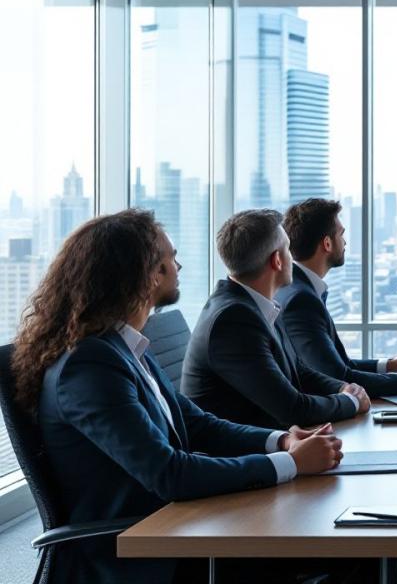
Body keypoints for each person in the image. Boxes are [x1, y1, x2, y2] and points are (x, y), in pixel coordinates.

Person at [11, 210, 344, 584]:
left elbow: (196, 422)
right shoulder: (88, 365)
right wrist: (291, 464)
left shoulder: (125, 348)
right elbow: (169, 473)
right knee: (347, 553)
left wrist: (281, 440)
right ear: (147, 273)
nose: (179, 265)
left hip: (177, 525)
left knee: (347, 545)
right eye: (171, 257)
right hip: (142, 551)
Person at [182, 209, 371, 429]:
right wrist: (351, 402)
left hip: (271, 442)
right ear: (277, 260)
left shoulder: (257, 304)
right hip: (241, 454)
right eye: (289, 249)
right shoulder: (233, 320)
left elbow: (300, 372)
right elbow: (292, 409)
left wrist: (343, 389)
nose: (294, 257)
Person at [278, 198, 397, 397]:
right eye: (341, 234)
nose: (345, 242)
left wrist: (392, 365)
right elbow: (339, 377)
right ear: (327, 243)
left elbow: (339, 365)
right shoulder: (301, 300)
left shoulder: (298, 289)